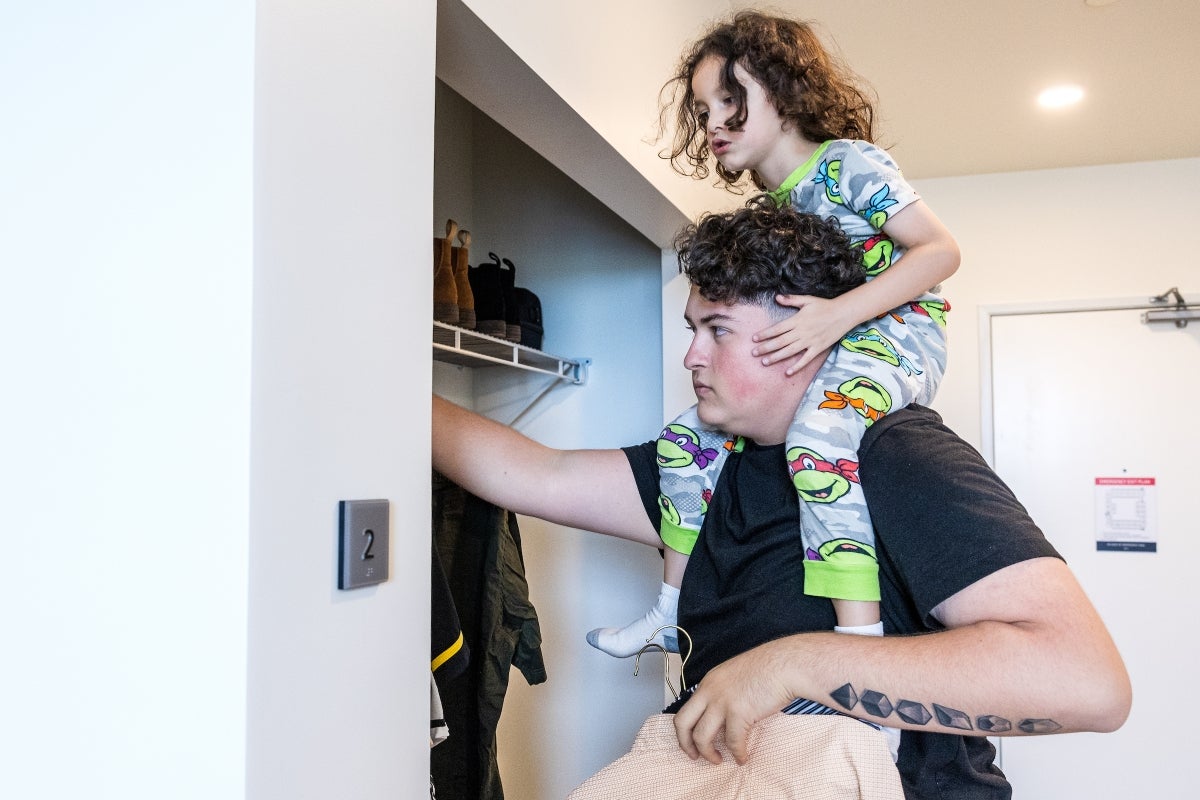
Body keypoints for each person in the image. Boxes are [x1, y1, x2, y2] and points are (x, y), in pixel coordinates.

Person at [431, 199, 1130, 797]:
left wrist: (792, 663)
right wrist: (379, 373)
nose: (691, 357)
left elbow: (1085, 681)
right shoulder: (703, 471)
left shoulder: (895, 453)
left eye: (717, 330)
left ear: (803, 330)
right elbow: (535, 473)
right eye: (692, 330)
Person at [587, 12, 961, 713]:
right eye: (703, 111)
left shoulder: (849, 164)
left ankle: (864, 663)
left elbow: (940, 252)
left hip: (899, 333)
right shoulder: (772, 203)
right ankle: (670, 607)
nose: (714, 123)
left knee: (821, 438)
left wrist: (839, 316)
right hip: (831, 339)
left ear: (784, 93)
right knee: (688, 437)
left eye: (731, 100)